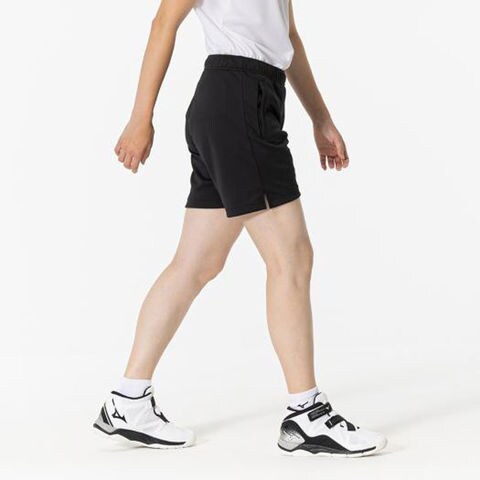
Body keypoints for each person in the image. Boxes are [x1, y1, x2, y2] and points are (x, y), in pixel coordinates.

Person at [93, 0, 387, 457]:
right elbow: (164, 21)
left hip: (250, 100)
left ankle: (127, 400)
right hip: (237, 99)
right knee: (291, 258)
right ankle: (306, 414)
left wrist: (321, 118)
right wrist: (140, 117)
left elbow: (289, 38)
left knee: (196, 263)